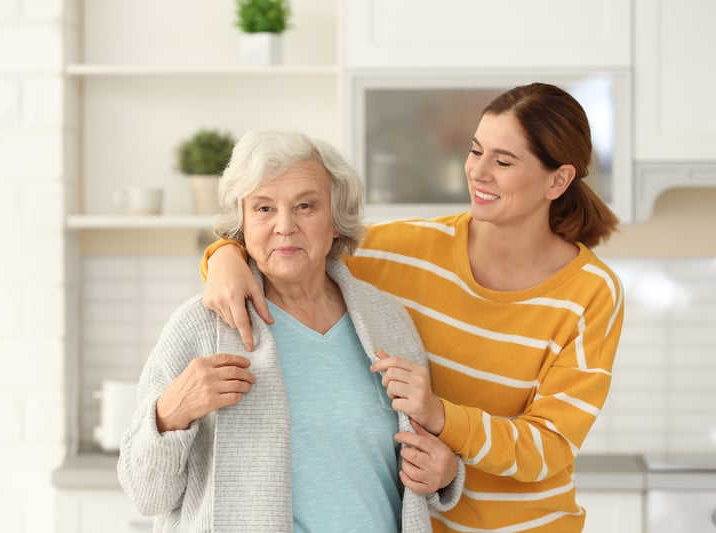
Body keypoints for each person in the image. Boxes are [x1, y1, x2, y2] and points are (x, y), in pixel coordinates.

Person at [201, 83, 625, 532]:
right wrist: (224, 255)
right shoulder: (402, 251)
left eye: (503, 161)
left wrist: (440, 417)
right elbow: (292, 249)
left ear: (557, 180)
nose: (478, 172)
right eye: (475, 151)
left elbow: (549, 447)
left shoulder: (589, 292)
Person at [118, 129, 464, 533]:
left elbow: (420, 462)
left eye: (305, 206)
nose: (285, 226)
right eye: (263, 209)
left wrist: (445, 471)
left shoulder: (388, 323)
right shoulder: (201, 326)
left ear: (336, 221)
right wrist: (171, 412)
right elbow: (146, 495)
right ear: (242, 224)